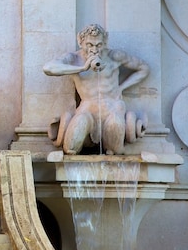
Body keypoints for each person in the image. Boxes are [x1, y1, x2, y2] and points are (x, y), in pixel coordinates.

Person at [43, 24, 148, 155]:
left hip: (112, 109)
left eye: (99, 45)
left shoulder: (114, 56)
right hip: (87, 110)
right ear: (80, 41)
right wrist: (82, 68)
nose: (94, 50)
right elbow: (48, 68)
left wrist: (122, 87)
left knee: (114, 149)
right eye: (89, 45)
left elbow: (143, 68)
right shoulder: (74, 59)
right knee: (71, 148)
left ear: (105, 42)